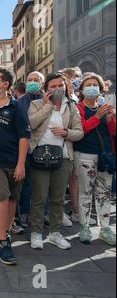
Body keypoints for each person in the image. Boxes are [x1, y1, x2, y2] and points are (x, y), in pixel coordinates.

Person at [0, 66, 31, 265]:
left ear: (5, 84)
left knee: (12, 201)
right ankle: (2, 242)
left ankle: (6, 233)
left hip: (14, 163)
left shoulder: (16, 107)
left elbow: (23, 136)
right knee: (1, 197)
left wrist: (21, 164)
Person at [28, 72, 84, 250]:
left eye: (60, 85)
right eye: (53, 86)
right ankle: (36, 233)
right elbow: (32, 124)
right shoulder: (36, 104)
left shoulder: (71, 107)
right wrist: (47, 106)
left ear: (65, 87)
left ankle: (54, 233)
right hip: (39, 156)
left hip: (64, 158)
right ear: (46, 89)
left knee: (58, 198)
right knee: (39, 197)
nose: (57, 88)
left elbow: (79, 132)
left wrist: (66, 133)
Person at [74, 73, 116, 246]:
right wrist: (97, 116)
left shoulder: (106, 106)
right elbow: (81, 129)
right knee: (85, 192)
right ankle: (84, 227)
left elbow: (113, 132)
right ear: (82, 90)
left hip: (105, 155)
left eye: (95, 84)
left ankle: (105, 228)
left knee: (104, 193)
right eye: (88, 85)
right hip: (85, 154)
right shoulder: (78, 108)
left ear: (100, 88)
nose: (92, 87)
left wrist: (110, 118)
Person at [14, 71, 45, 231]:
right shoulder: (20, 101)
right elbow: (24, 124)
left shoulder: (47, 99)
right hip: (27, 146)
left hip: (44, 146)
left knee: (42, 183)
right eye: (30, 79)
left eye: (36, 80)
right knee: (25, 183)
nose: (32, 82)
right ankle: (24, 212)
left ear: (42, 82)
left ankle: (42, 214)